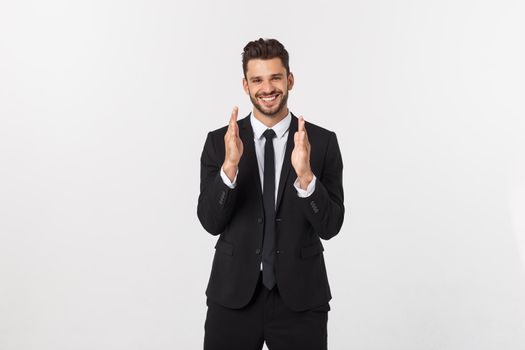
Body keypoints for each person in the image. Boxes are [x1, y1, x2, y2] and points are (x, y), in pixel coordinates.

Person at [197, 38, 345, 350]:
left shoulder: (322, 142)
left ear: (290, 80)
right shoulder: (219, 143)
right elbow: (211, 221)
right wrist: (230, 167)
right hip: (233, 295)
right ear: (245, 85)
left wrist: (306, 176)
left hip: (301, 300)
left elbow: (330, 226)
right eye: (258, 80)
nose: (267, 88)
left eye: (276, 77)